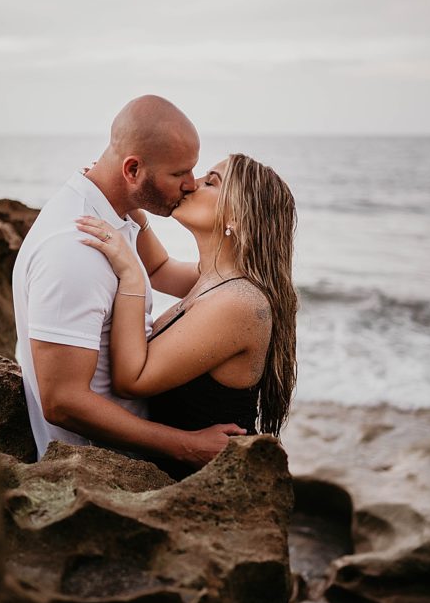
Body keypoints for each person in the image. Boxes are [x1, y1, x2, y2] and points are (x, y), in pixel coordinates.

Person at [12, 95, 247, 467]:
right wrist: (185, 445)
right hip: (97, 472)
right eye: (178, 174)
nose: (190, 184)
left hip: (133, 459)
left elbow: (163, 272)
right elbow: (61, 401)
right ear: (133, 169)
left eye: (194, 170)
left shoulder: (116, 214)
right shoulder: (74, 250)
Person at [76, 152, 298, 478]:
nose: (192, 184)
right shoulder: (213, 281)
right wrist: (130, 201)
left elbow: (130, 379)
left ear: (236, 217)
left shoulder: (238, 303)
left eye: (211, 182)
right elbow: (158, 268)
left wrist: (130, 276)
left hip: (206, 488)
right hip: (179, 477)